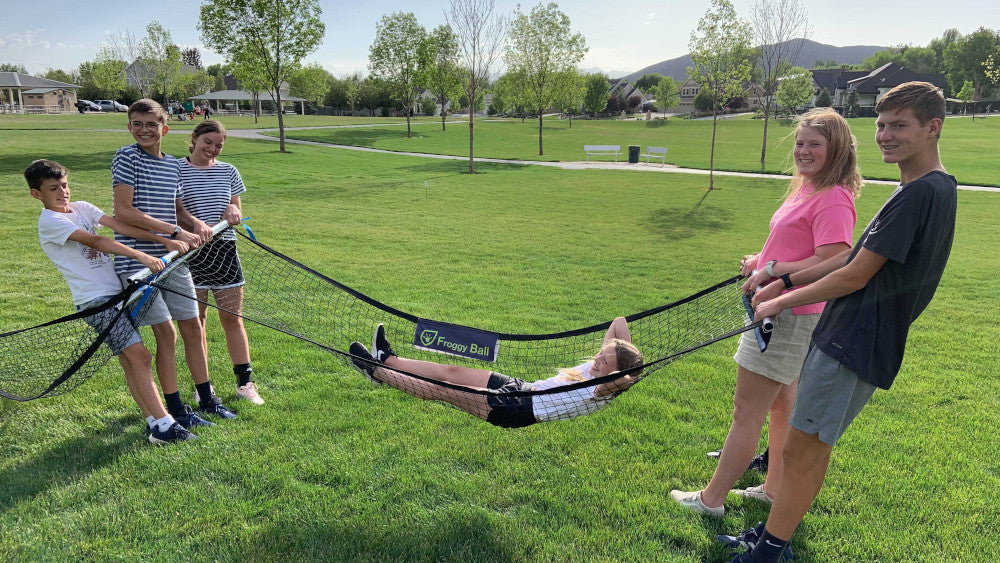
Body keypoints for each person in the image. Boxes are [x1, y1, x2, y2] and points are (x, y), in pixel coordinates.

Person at [725, 82, 957, 563]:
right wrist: (781, 283)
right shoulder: (925, 189)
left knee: (803, 451)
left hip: (854, 339)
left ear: (932, 128)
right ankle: (770, 538)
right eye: (880, 124)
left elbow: (853, 274)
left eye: (899, 125)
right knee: (804, 445)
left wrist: (777, 303)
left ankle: (770, 550)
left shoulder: (920, 194)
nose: (884, 135)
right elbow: (852, 258)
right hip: (858, 337)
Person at [671, 107, 861, 517]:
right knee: (779, 407)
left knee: (747, 411)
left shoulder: (834, 198)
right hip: (782, 308)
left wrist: (773, 271)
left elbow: (836, 259)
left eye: (814, 144)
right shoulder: (808, 188)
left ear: (837, 149)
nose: (803, 151)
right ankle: (772, 489)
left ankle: (711, 500)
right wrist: (761, 259)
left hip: (788, 315)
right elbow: (797, 247)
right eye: (799, 142)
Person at [25, 159, 195, 444]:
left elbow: (119, 226)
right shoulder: (50, 221)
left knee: (131, 360)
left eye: (64, 185)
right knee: (139, 355)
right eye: (53, 188)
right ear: (36, 194)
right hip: (95, 302)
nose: (62, 192)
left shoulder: (81, 208)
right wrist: (141, 256)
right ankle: (165, 427)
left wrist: (164, 239)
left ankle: (154, 421)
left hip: (117, 295)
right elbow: (97, 242)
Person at [111, 98, 237, 428]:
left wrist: (197, 226)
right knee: (166, 334)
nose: (144, 130)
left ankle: (207, 398)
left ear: (164, 128)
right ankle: (176, 408)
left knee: (193, 326)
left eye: (151, 124)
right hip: (141, 262)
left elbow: (178, 209)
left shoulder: (172, 165)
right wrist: (175, 233)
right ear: (129, 127)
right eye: (137, 124)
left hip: (174, 260)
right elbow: (123, 211)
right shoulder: (127, 156)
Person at [348, 318, 643, 428]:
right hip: (522, 388)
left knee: (443, 390)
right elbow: (618, 323)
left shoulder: (602, 391)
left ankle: (375, 371)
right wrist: (618, 354)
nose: (596, 360)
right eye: (601, 354)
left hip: (515, 410)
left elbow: (622, 380)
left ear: (615, 376)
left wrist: (633, 375)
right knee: (451, 370)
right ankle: (387, 359)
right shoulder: (603, 366)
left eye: (604, 362)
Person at [178, 120, 263, 405]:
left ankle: (245, 383)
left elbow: (236, 206)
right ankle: (204, 386)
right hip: (191, 253)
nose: (212, 149)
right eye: (208, 142)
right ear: (195, 138)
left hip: (225, 251)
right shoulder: (177, 169)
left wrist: (232, 208)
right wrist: (194, 226)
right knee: (196, 321)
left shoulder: (228, 171)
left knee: (232, 318)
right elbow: (172, 212)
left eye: (219, 145)